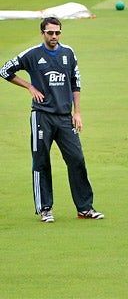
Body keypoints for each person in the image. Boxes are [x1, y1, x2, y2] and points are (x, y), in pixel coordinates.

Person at [1, 17, 104, 222]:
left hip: (65, 117)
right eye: (50, 33)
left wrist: (77, 112)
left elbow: (76, 83)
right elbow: (5, 70)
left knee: (77, 159)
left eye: (57, 32)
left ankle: (85, 208)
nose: (54, 36)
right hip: (41, 116)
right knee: (41, 161)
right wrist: (29, 86)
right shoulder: (32, 54)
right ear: (42, 33)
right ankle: (45, 208)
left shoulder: (68, 53)